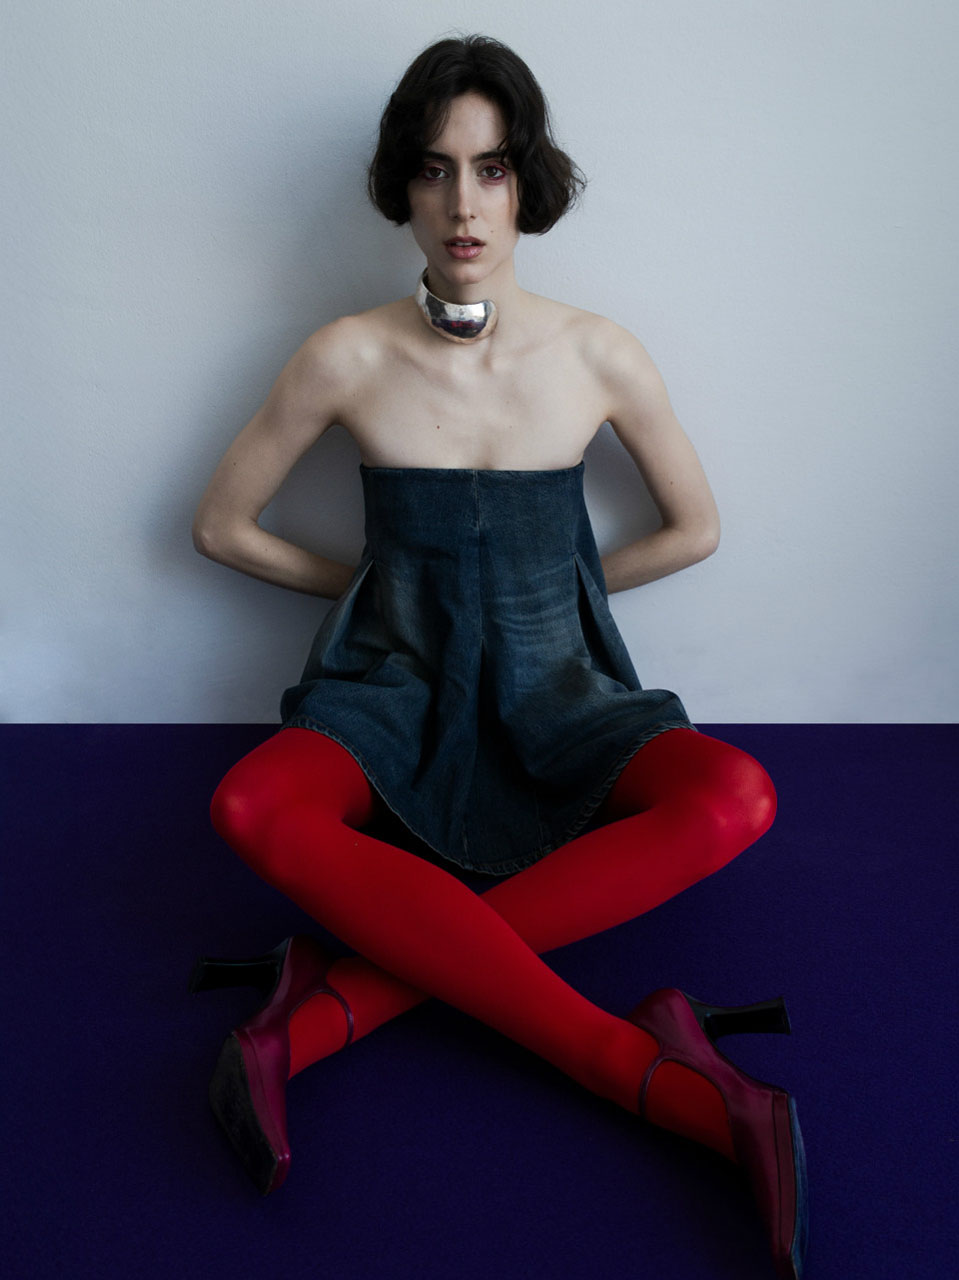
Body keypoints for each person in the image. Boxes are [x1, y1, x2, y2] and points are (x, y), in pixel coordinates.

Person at [189, 35, 806, 1279]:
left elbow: (693, 528)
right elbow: (220, 526)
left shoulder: (597, 352)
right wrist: (375, 587)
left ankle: (329, 1007)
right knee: (247, 802)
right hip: (389, 687)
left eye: (490, 168)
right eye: (433, 171)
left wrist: (556, 591)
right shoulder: (344, 354)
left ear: (528, 181)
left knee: (738, 793)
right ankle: (638, 1062)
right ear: (402, 187)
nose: (462, 205)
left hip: (556, 690)